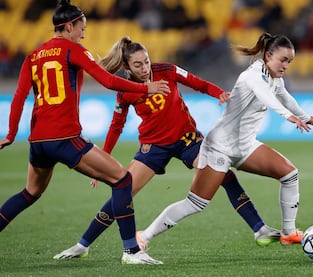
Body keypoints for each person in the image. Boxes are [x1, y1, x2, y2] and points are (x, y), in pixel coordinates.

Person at [53, 36, 281, 259]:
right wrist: (101, 160)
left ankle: (260, 229)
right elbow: (116, 127)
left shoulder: (167, 70)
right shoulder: (125, 91)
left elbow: (196, 82)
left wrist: (218, 93)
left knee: (224, 174)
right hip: (153, 147)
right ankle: (83, 245)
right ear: (127, 66)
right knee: (123, 192)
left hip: (187, 140)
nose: (145, 68)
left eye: (146, 61)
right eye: (138, 64)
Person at [0, 0, 171, 265]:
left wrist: (11, 134)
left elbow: (19, 97)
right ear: (68, 26)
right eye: (82, 27)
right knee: (123, 180)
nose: (84, 32)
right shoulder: (72, 50)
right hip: (65, 138)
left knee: (30, 192)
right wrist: (146, 88)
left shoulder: (33, 56)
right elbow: (108, 81)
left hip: (38, 142)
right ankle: (132, 252)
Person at [136, 33, 313, 255]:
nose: (286, 65)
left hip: (245, 146)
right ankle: (144, 235)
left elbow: (285, 97)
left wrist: (305, 115)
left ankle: (289, 233)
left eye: (289, 61)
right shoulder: (252, 75)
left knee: (290, 174)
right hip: (220, 147)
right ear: (268, 55)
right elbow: (266, 97)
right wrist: (288, 117)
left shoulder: (275, 79)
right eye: (283, 59)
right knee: (196, 203)